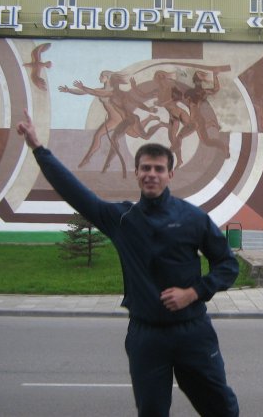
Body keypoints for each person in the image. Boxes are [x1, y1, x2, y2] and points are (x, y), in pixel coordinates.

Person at [16, 109, 239, 417]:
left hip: (193, 332)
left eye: (159, 169)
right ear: (136, 173)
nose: (151, 174)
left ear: (170, 175)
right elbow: (75, 192)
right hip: (146, 336)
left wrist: (194, 292)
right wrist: (38, 149)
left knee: (220, 408)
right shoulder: (122, 219)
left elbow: (227, 265)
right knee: (151, 412)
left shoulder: (193, 218)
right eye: (145, 168)